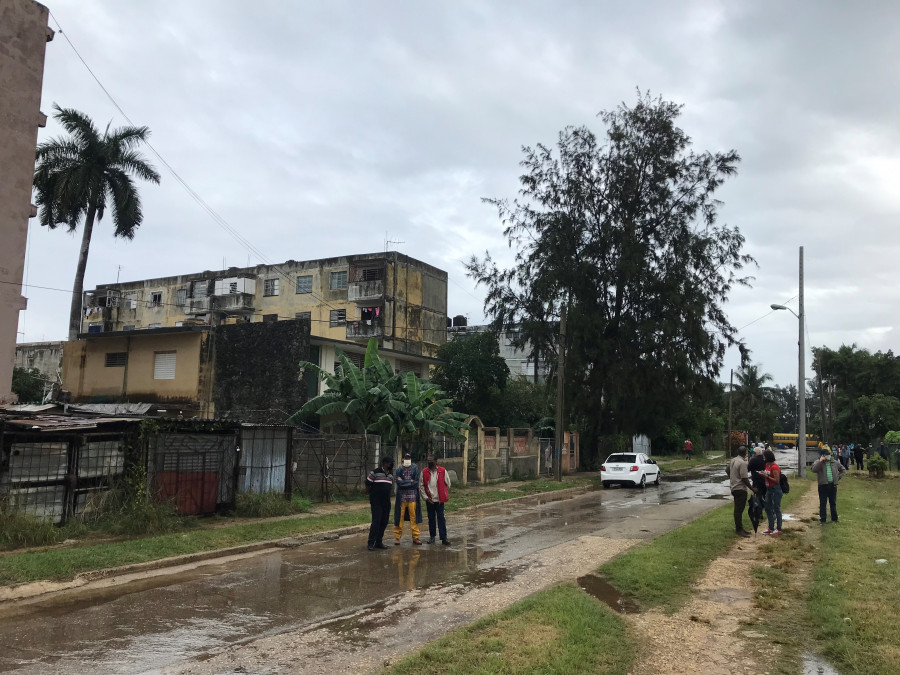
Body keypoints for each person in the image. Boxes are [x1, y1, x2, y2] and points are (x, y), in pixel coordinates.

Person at [421, 454, 452, 545]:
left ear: (435, 461)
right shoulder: (424, 472)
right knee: (431, 519)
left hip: (439, 500)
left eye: (431, 460)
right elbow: (421, 486)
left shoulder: (442, 471)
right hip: (429, 500)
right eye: (428, 460)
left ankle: (443, 538)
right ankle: (432, 537)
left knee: (441, 518)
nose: (429, 462)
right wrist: (426, 498)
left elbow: (448, 483)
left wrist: (442, 491)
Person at [726, 445, 756, 537]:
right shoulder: (742, 463)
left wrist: (732, 478)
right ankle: (739, 530)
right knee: (739, 510)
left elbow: (727, 470)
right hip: (740, 489)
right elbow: (744, 478)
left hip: (734, 487)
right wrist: (752, 488)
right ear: (745, 453)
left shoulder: (733, 460)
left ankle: (740, 528)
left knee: (738, 509)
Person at [811, 447, 846, 524]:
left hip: (832, 485)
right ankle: (823, 520)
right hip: (823, 486)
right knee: (823, 503)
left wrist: (838, 477)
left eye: (828, 455)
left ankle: (834, 519)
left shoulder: (834, 462)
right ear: (822, 456)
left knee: (833, 503)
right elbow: (814, 470)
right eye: (826, 455)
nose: (828, 456)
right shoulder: (818, 462)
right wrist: (820, 461)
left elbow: (843, 469)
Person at [365, 456, 394, 551]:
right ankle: (371, 543)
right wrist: (372, 495)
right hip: (376, 501)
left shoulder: (390, 474)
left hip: (386, 502)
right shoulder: (375, 472)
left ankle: (379, 541)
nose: (391, 465)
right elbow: (367, 483)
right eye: (390, 463)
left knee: (384, 522)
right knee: (376, 522)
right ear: (384, 463)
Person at [394, 452, 423, 545]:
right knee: (399, 517)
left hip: (413, 497)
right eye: (405, 458)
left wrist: (404, 482)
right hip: (401, 498)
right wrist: (409, 482)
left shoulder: (414, 468)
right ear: (402, 459)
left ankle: (416, 537)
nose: (407, 460)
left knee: (414, 517)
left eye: (408, 458)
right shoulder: (399, 469)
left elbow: (416, 483)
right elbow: (398, 483)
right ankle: (397, 537)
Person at [760, 449, 783, 535]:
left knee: (776, 508)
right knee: (767, 507)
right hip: (768, 488)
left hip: (775, 489)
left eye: (764, 456)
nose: (763, 458)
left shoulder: (774, 467)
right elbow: (767, 474)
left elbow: (777, 480)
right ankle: (770, 527)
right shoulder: (767, 465)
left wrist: (766, 476)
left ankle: (779, 528)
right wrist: (763, 474)